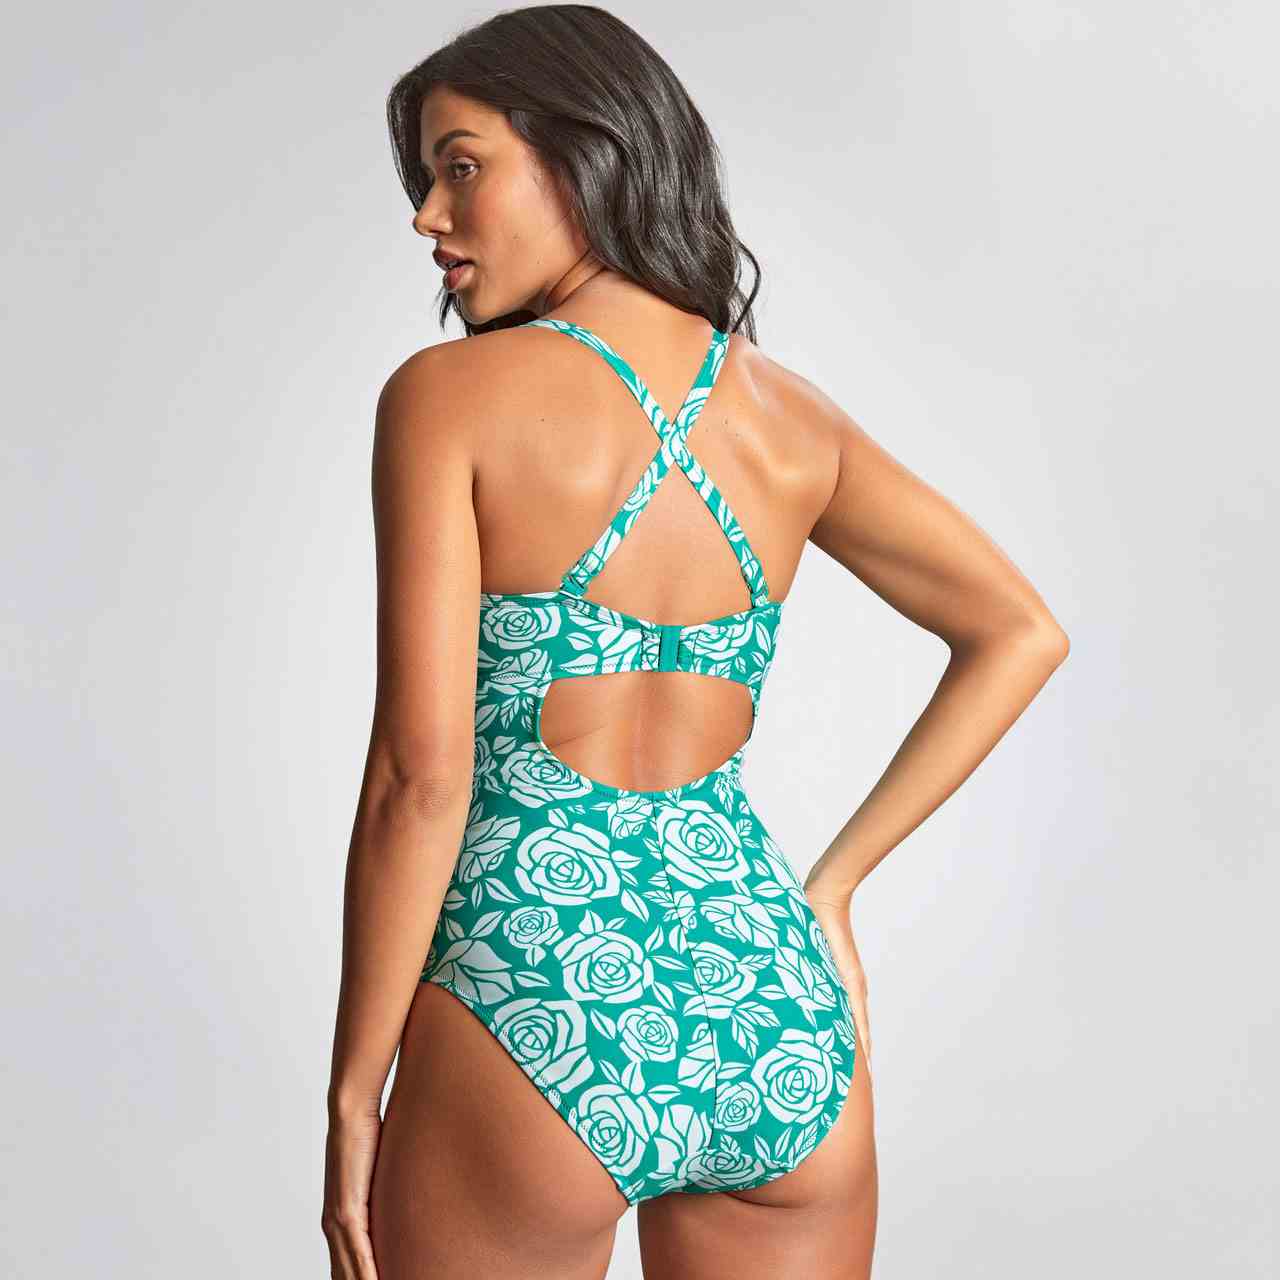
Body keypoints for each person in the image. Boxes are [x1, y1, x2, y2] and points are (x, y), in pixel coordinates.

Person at [322, 6, 1069, 1278]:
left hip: (532, 985)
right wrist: (830, 888)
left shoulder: (445, 399)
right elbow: (1019, 629)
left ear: (586, 154)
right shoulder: (789, 418)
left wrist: (355, 1091)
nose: (427, 218)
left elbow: (419, 781)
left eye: (460, 167)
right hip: (770, 1000)